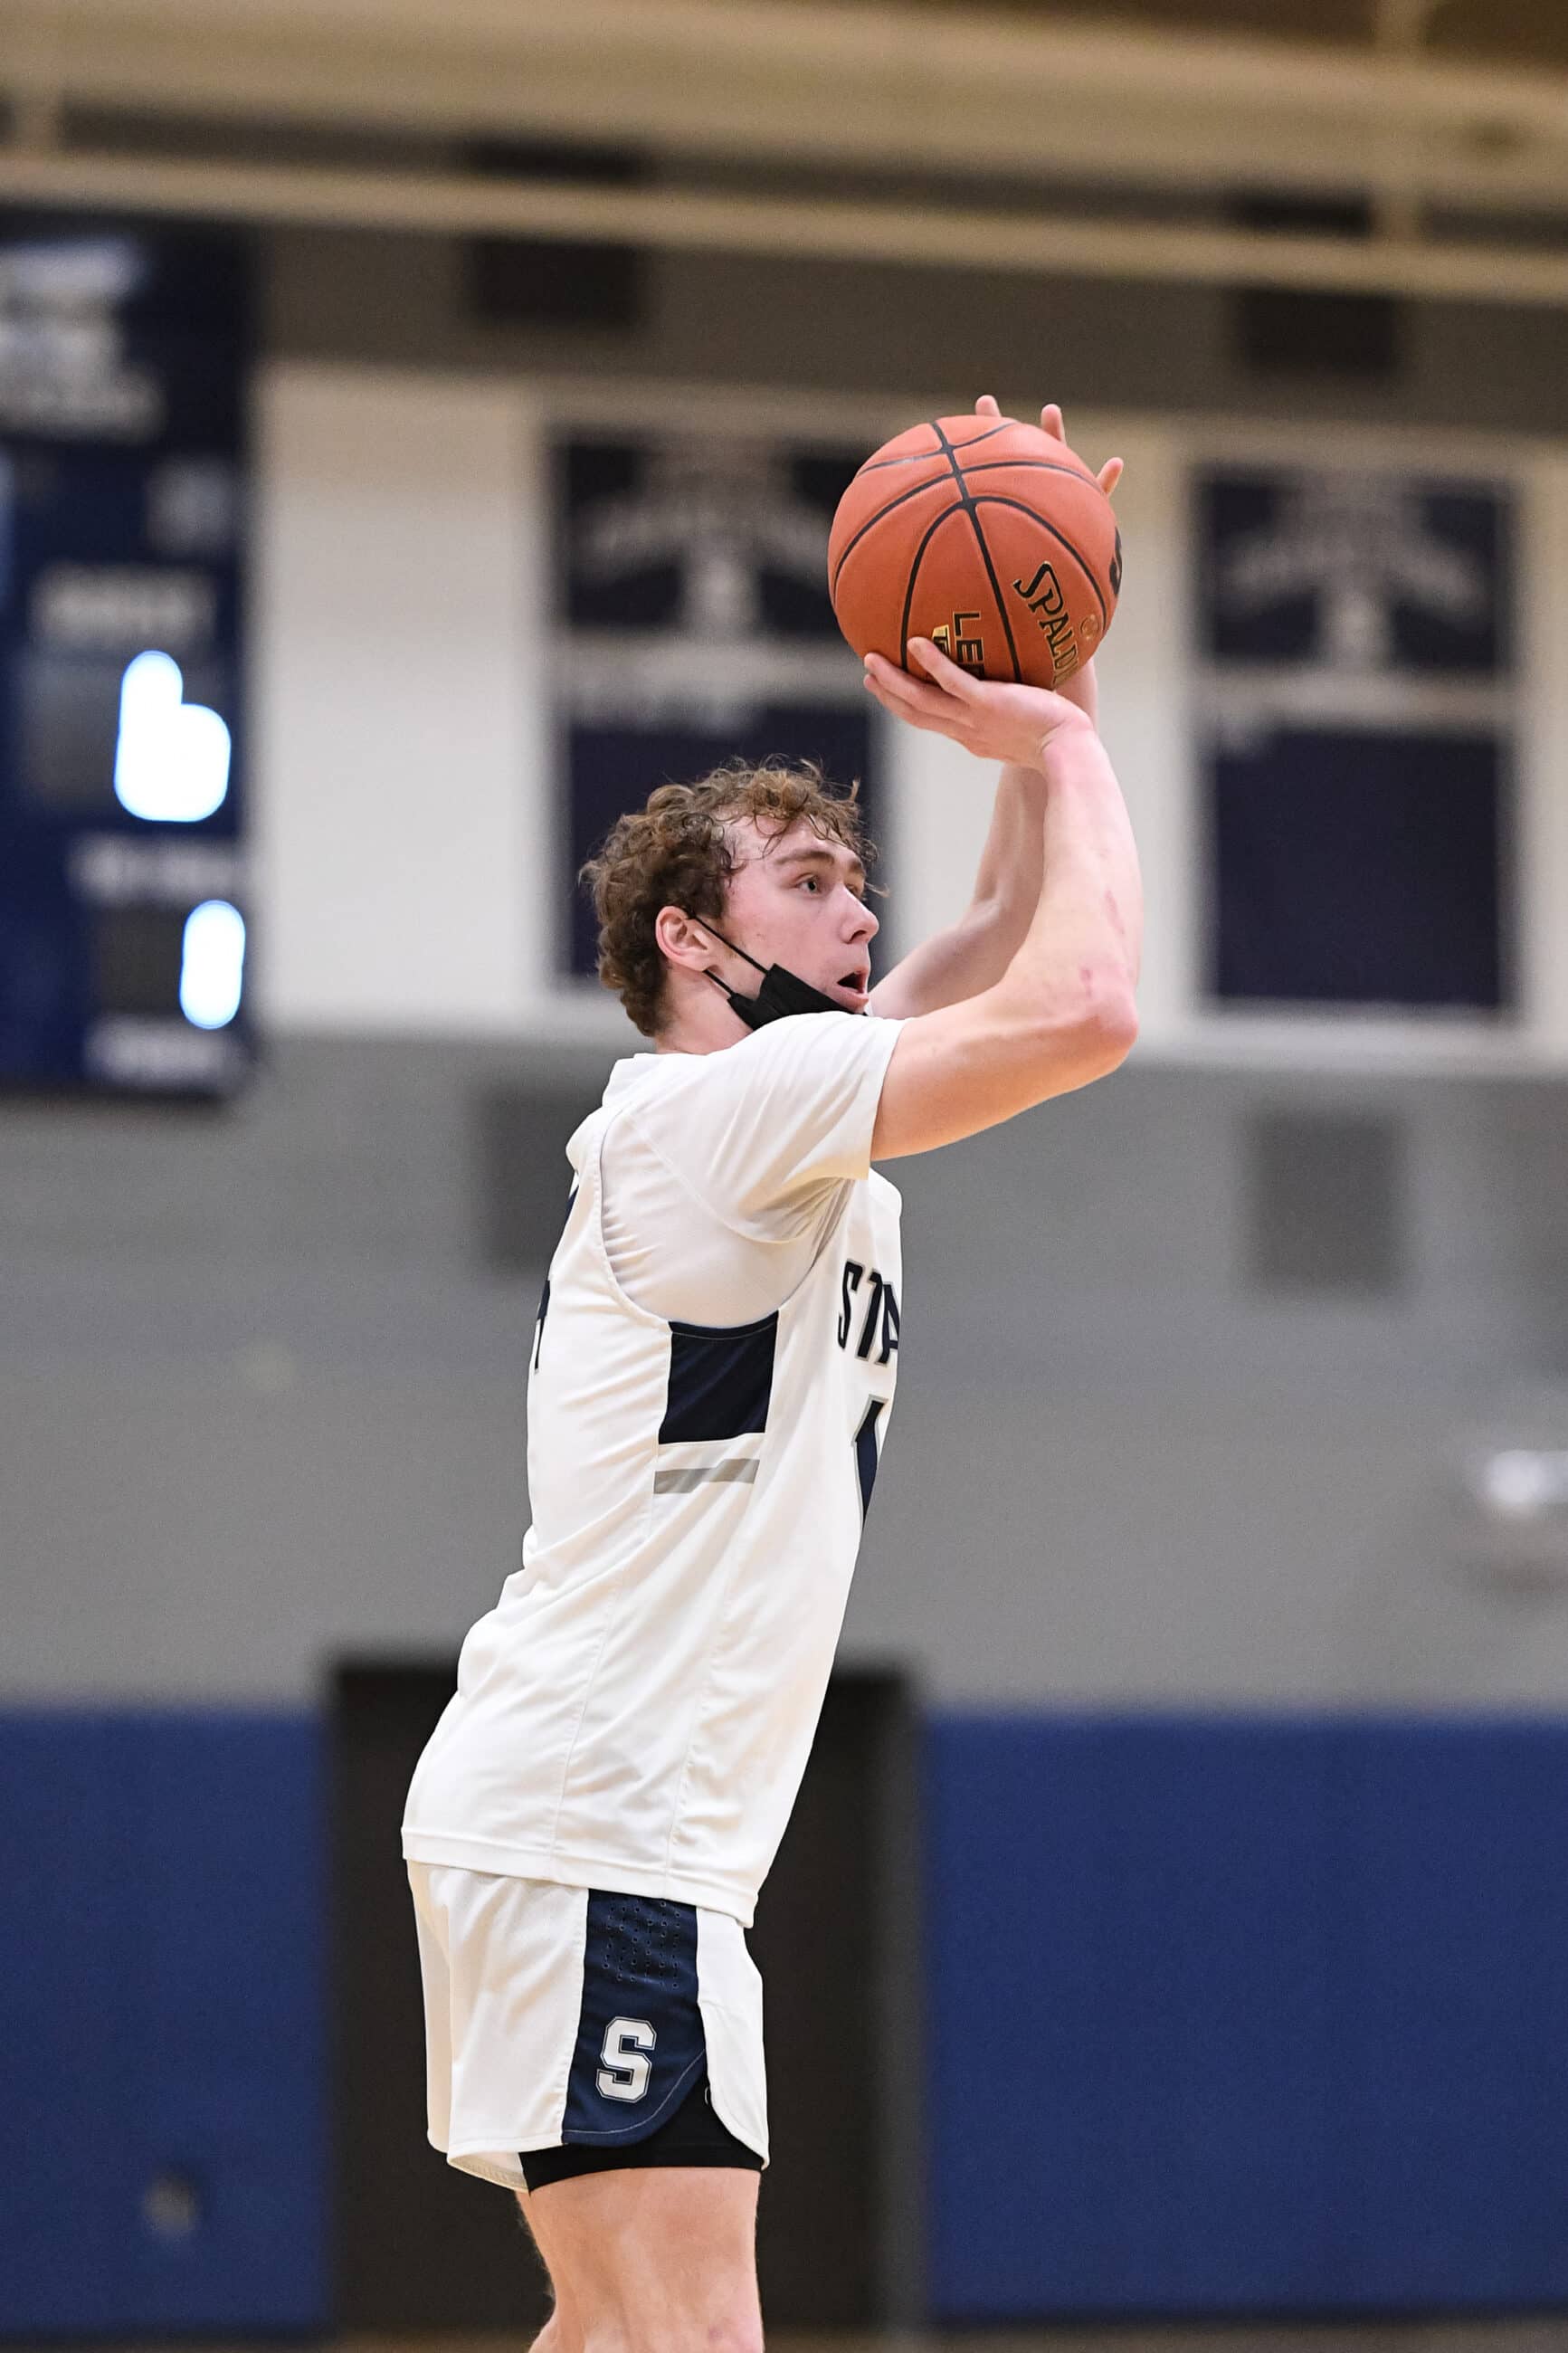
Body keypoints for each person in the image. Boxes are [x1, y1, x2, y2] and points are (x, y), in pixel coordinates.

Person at [400, 398, 1140, 2353]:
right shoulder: (722, 1111)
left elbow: (998, 937)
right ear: (692, 940)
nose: (860, 909)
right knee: (696, 2337)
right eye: (808, 880)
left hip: (586, 1823)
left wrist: (1053, 678)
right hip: (599, 1821)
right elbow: (1084, 1002)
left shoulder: (753, 1111)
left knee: (615, 2334)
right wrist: (1068, 748)